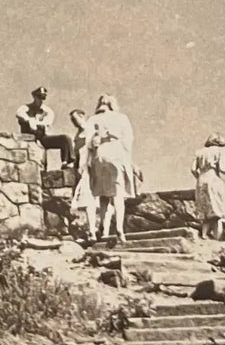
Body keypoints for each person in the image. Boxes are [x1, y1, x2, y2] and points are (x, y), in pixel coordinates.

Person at [87, 94, 136, 243]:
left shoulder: (93, 119)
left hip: (100, 154)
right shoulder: (121, 118)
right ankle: (119, 229)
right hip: (116, 152)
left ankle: (104, 227)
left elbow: (89, 142)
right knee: (118, 194)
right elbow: (128, 139)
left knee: (102, 194)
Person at [15, 86, 78, 163]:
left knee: (65, 138)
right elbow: (19, 113)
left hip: (41, 137)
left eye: (43, 98)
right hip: (28, 137)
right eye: (39, 97)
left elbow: (46, 123)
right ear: (34, 96)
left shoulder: (47, 111)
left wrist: (36, 123)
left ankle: (67, 162)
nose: (40, 100)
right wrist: (29, 120)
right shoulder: (25, 107)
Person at [193, 135, 225, 240]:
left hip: (201, 180)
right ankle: (217, 238)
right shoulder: (220, 150)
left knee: (205, 213)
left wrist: (199, 178)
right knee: (217, 212)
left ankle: (204, 236)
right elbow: (222, 168)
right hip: (213, 179)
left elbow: (193, 169)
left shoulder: (199, 152)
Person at [67, 107, 96, 239]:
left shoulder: (91, 131)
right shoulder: (77, 135)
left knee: (93, 200)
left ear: (82, 116)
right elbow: (77, 154)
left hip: (91, 168)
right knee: (85, 201)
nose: (74, 122)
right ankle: (91, 230)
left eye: (75, 119)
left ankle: (96, 230)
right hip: (81, 169)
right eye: (72, 120)